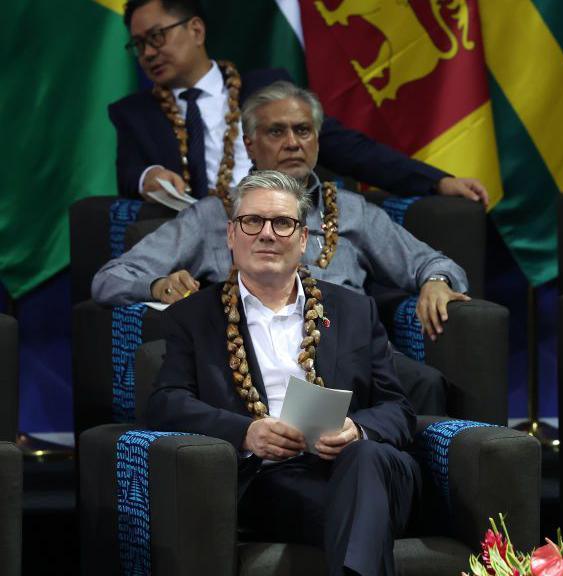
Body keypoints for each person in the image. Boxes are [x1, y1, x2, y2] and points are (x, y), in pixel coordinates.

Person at [95, 81, 464, 415]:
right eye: (277, 131)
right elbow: (110, 279)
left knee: (424, 384)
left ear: (317, 140)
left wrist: (434, 280)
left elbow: (432, 263)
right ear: (249, 144)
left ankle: (411, 483)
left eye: (303, 130)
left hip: (350, 355)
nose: (292, 142)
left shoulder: (352, 210)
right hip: (254, 359)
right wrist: (158, 286)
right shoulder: (214, 215)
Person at [146, 170, 417, 576]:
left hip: (370, 465)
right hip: (275, 481)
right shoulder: (193, 318)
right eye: (252, 221)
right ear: (231, 235)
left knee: (365, 458)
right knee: (358, 508)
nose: (267, 234)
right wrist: (245, 432)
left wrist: (356, 431)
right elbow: (166, 403)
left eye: (283, 223)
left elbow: (399, 408)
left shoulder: (355, 311)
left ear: (304, 239)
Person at [112, 0, 487, 205]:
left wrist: (436, 182)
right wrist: (150, 178)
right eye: (139, 44)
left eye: (157, 36)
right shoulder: (135, 113)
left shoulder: (265, 88)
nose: (149, 52)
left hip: (285, 233)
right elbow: (130, 173)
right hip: (199, 246)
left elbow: (347, 148)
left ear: (195, 30)